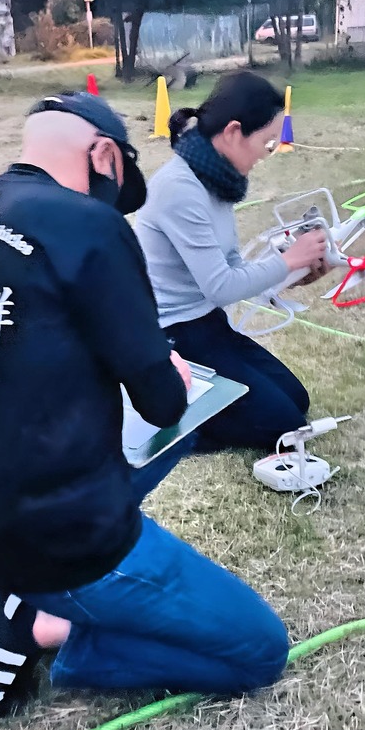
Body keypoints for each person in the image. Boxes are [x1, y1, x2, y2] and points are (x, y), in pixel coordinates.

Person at [0, 91, 289, 720]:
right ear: (104, 155)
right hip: (69, 535)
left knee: (174, 444)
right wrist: (163, 367)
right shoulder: (90, 224)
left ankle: (6, 590)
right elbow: (163, 399)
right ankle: (37, 630)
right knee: (260, 650)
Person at [134, 71, 332, 452]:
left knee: (297, 400)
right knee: (284, 426)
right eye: (266, 142)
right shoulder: (180, 187)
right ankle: (171, 417)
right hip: (175, 336)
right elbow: (220, 286)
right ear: (233, 132)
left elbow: (231, 268)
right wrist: (289, 260)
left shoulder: (218, 180)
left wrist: (295, 273)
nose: (266, 153)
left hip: (208, 324)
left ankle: (203, 402)